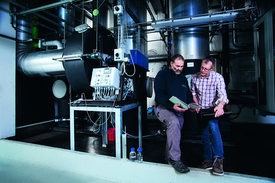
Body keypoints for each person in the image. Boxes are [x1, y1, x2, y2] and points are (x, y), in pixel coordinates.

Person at [154, 54, 193, 173]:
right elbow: (159, 95)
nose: (180, 69)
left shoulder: (182, 78)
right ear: (171, 64)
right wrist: (172, 105)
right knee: (174, 123)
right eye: (177, 66)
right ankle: (175, 159)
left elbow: (188, 94)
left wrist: (191, 104)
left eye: (182, 66)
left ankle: (168, 160)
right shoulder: (162, 75)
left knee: (174, 134)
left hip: (179, 110)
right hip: (164, 108)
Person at [190, 56, 229, 176]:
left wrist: (221, 106)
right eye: (202, 68)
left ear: (212, 68)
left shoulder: (218, 78)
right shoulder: (194, 78)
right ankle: (208, 160)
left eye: (206, 69)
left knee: (214, 128)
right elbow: (194, 93)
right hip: (201, 110)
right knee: (204, 134)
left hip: (213, 109)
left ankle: (218, 160)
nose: (203, 71)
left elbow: (223, 96)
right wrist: (196, 105)